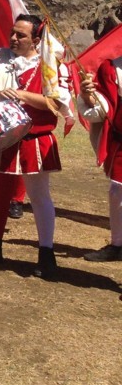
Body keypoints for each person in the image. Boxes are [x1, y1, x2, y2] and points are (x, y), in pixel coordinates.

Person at [0, 14, 70, 278]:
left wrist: (24, 95)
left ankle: (46, 254)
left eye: (21, 35)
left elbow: (56, 104)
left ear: (36, 39)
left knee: (39, 196)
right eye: (12, 33)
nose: (13, 38)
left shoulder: (52, 63)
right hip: (3, 137)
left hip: (35, 138)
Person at [78, 55, 122, 261]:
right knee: (117, 191)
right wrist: (88, 95)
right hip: (120, 142)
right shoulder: (111, 67)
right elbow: (102, 109)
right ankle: (118, 244)